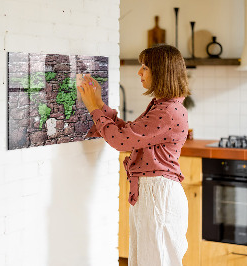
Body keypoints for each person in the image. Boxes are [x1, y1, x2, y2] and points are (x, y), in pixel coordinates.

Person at [78, 44, 190, 266]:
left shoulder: (167, 111)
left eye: (145, 67)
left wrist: (94, 109)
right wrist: (99, 104)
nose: (139, 72)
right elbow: (129, 133)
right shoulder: (163, 106)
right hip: (153, 193)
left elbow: (121, 141)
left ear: (161, 72)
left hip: (158, 195)